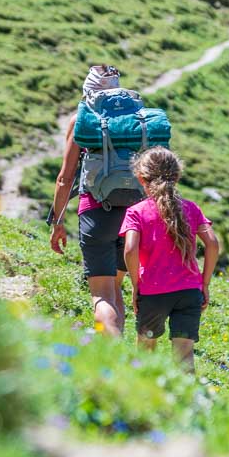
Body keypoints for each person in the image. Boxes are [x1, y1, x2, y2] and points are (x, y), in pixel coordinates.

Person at [48, 65, 131, 337]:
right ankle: (121, 351)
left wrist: (58, 222)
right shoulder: (133, 119)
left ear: (88, 91)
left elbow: (65, 178)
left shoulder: (82, 119)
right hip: (133, 215)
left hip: (97, 212)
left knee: (102, 294)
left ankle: (113, 351)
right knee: (115, 287)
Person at [121, 147, 219, 371]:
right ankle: (186, 393)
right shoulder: (191, 208)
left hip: (153, 293)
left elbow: (130, 249)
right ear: (177, 176)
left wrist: (136, 285)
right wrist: (204, 284)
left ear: (141, 178)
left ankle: (144, 390)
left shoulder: (136, 212)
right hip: (189, 292)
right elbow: (213, 244)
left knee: (145, 350)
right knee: (184, 356)